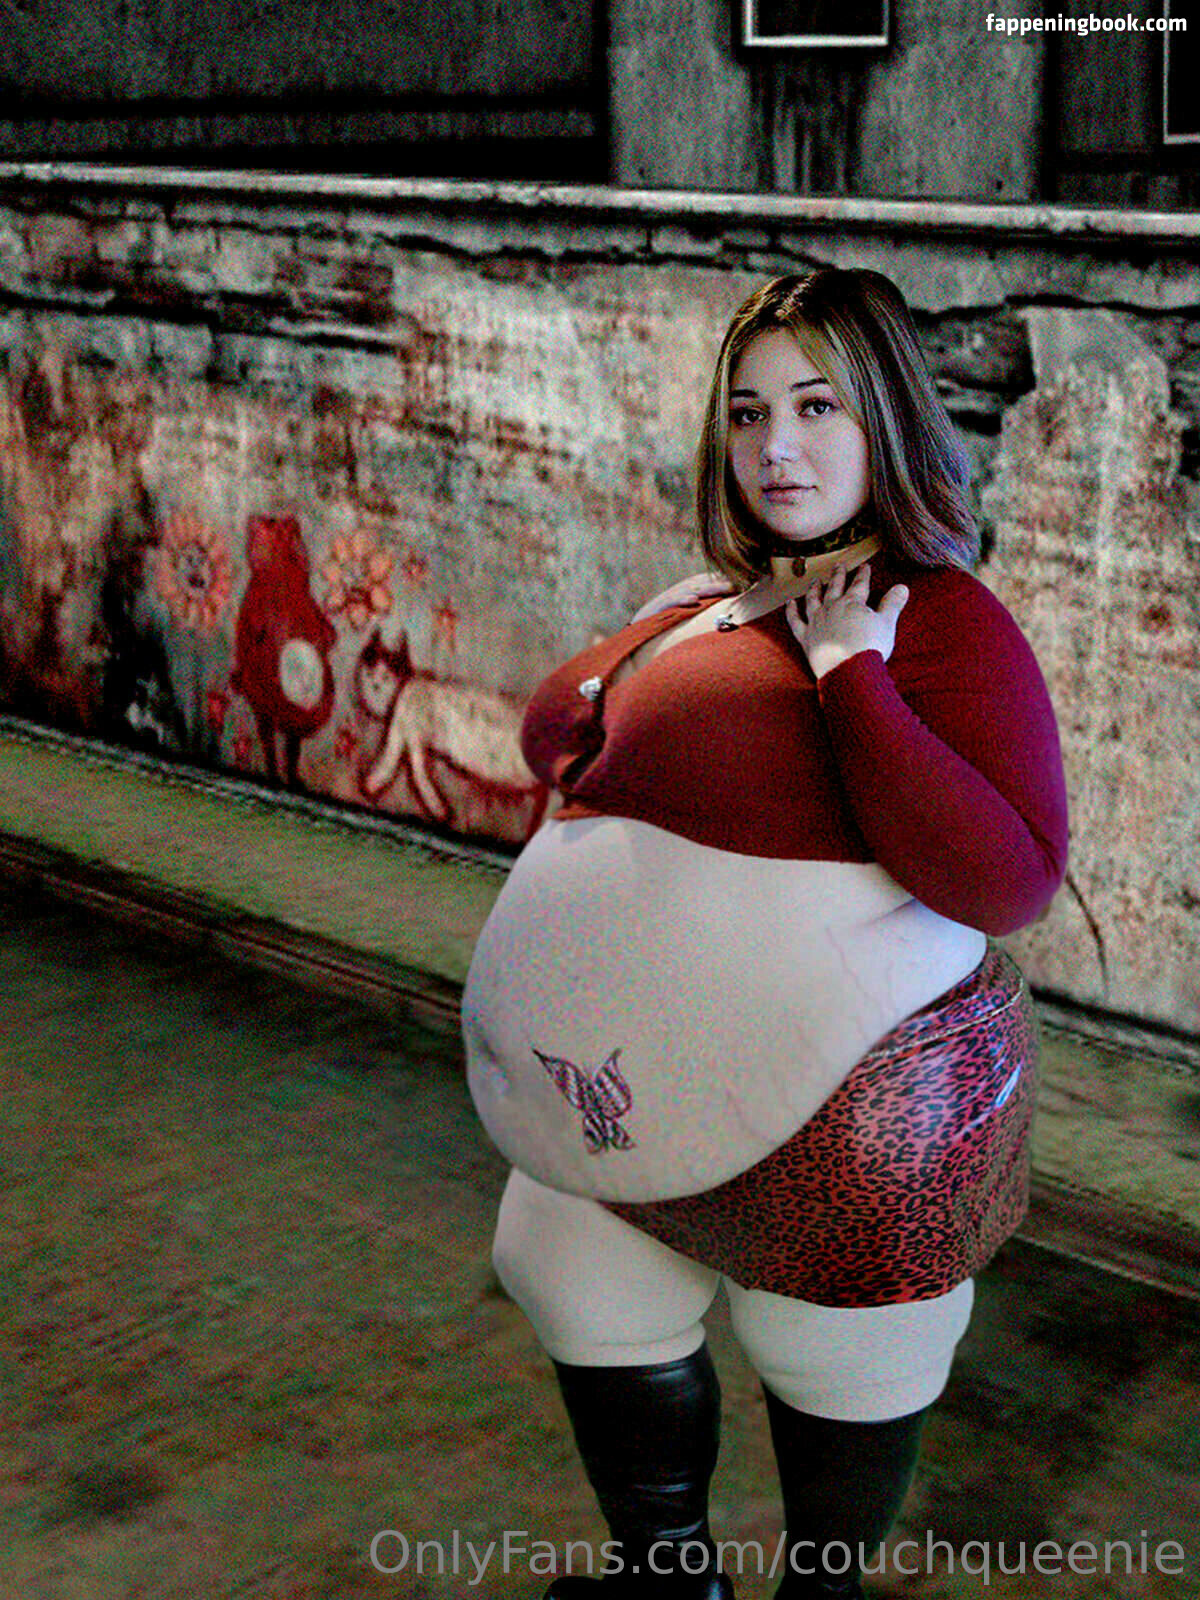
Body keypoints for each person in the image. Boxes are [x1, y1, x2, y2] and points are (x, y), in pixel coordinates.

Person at [461, 268, 1069, 1599]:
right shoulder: (710, 599)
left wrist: (852, 675)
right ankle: (667, 1577)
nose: (775, 447)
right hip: (617, 1123)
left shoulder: (940, 622)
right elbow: (555, 731)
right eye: (746, 414)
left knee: (839, 1356)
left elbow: (1008, 877)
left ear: (886, 419)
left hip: (829, 1136)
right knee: (585, 1287)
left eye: (815, 407)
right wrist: (665, 647)